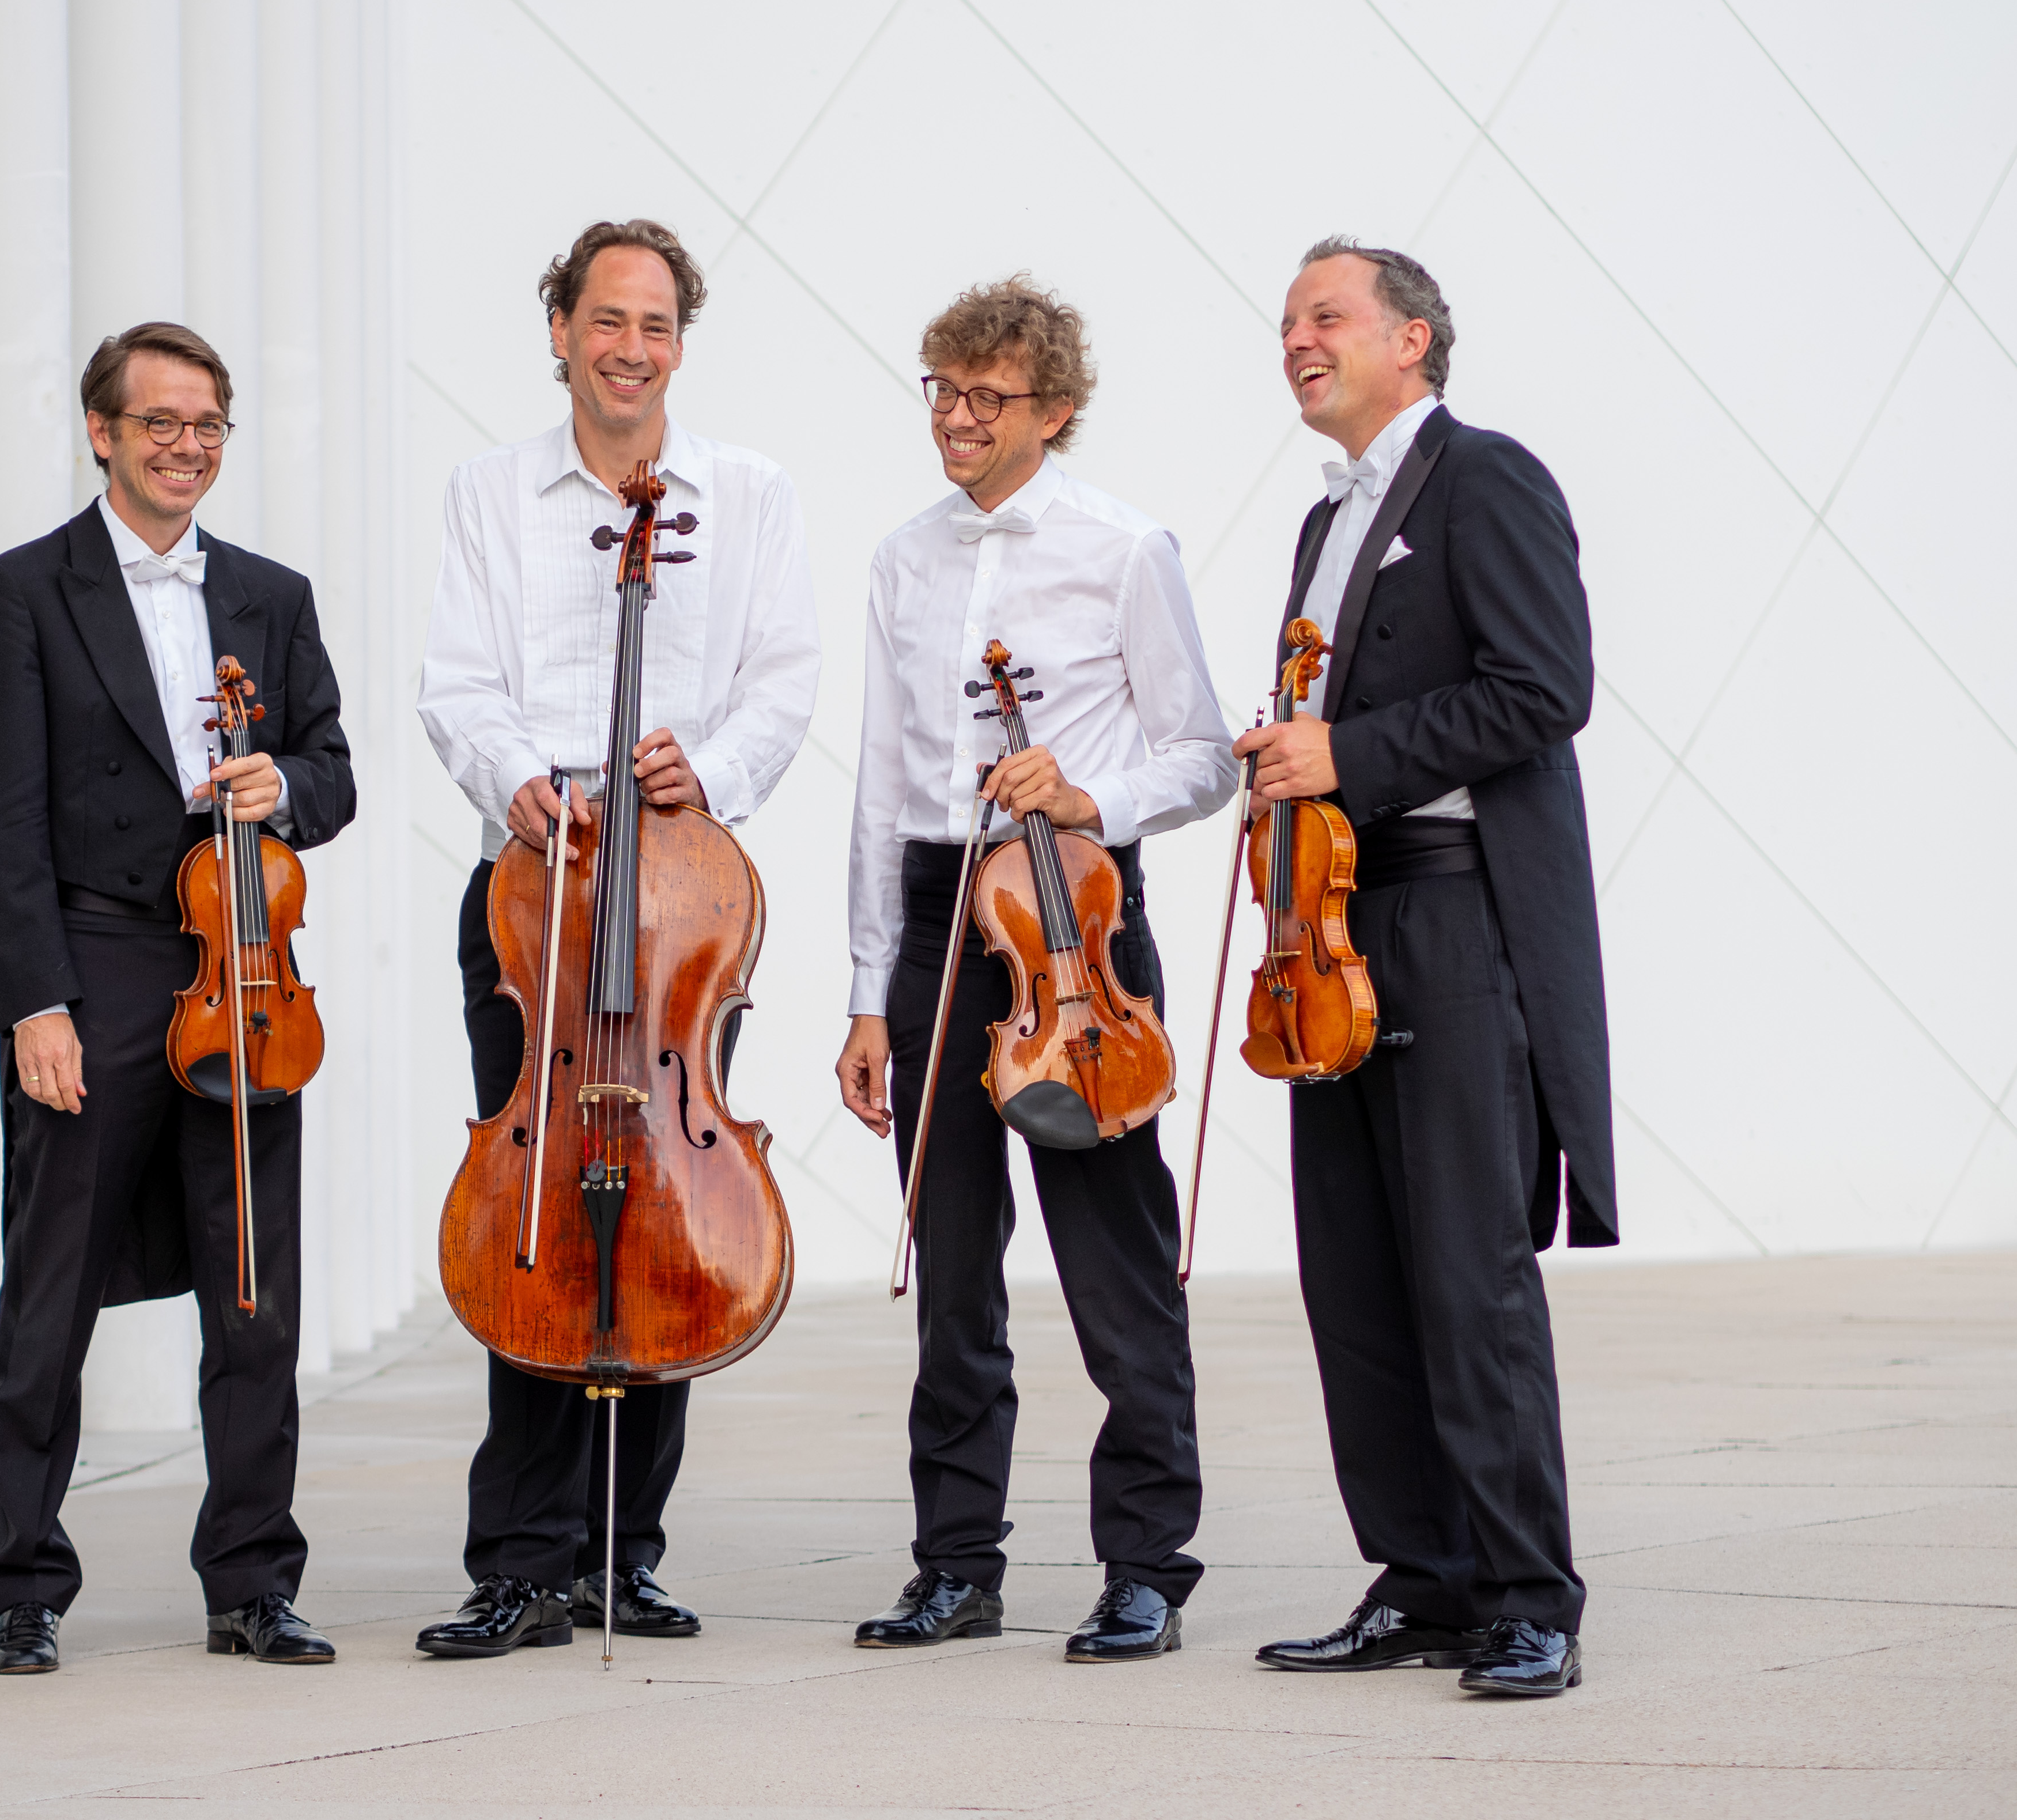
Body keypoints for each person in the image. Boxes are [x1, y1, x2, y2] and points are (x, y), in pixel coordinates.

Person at [414, 218, 819, 1658]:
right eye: (607, 320)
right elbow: (457, 679)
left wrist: (708, 772)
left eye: (655, 325)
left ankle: (622, 1552)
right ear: (560, 330)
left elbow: (781, 679)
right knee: (538, 1216)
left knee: (663, 1206)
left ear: (678, 343)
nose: (630, 347)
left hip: (673, 911)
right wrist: (510, 774)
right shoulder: (488, 490)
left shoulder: (748, 494)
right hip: (533, 895)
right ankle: (519, 1558)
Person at [834, 277, 1236, 1662]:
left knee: (1115, 1256)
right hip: (942, 909)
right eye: (939, 389)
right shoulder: (902, 558)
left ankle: (1145, 1563)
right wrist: (863, 991)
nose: (953, 416)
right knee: (952, 1263)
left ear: (1053, 411)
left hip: (1076, 915)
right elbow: (884, 782)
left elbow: (1199, 757)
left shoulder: (1126, 549)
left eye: (984, 397)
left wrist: (1084, 789)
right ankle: (956, 1562)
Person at [1236, 238, 1611, 1697]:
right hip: (1330, 926)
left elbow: (1543, 688)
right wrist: (1283, 773)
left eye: (1323, 315)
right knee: (1359, 1277)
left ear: (1412, 339)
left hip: (1454, 923)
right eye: (1284, 323)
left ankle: (1529, 1593)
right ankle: (1423, 1577)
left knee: (1469, 1274)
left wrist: (1350, 752)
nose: (1296, 340)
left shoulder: (1486, 475)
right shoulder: (1319, 522)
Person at [0, 321, 355, 1675]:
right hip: (96, 959)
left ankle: (252, 1579)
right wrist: (34, 1006)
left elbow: (332, 771)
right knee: (49, 1286)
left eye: (210, 424)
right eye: (162, 422)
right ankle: (24, 1583)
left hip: (243, 963)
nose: (189, 446)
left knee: (254, 1291)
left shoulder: (271, 596)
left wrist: (282, 786)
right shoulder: (22, 592)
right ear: (103, 432)